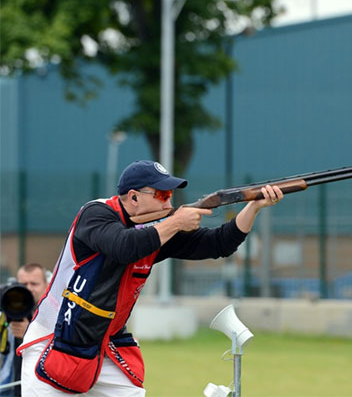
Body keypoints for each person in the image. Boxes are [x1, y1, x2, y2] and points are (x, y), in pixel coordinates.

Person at [18, 160, 283, 396]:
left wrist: (254, 207)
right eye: (162, 194)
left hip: (104, 343)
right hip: (55, 340)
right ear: (133, 197)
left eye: (171, 194)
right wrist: (176, 222)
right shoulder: (95, 214)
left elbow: (218, 244)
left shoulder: (158, 229)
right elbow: (123, 246)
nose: (169, 202)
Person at [0, 263, 48, 396]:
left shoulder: (54, 314)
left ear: (46, 285)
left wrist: (30, 334)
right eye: (23, 284)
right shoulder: (6, 307)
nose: (29, 289)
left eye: (34, 284)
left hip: (38, 386)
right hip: (7, 385)